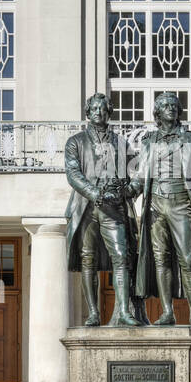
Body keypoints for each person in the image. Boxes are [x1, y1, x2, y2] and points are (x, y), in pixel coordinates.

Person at [131, 92, 191, 326]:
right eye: (165, 105)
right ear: (157, 113)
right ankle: (166, 312)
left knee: (188, 258)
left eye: (174, 105)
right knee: (160, 258)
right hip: (155, 204)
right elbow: (141, 177)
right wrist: (125, 193)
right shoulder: (148, 142)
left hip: (182, 201)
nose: (170, 108)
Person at [64, 93, 142, 326]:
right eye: (94, 109)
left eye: (103, 108)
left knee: (121, 256)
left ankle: (124, 312)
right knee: (88, 259)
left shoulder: (121, 143)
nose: (98, 112)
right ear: (88, 113)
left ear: (109, 112)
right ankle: (94, 312)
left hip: (114, 208)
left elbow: (135, 173)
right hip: (87, 207)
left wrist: (130, 190)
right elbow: (73, 174)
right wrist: (96, 193)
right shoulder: (75, 142)